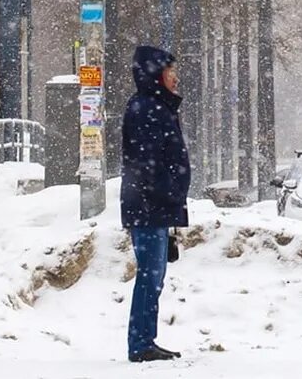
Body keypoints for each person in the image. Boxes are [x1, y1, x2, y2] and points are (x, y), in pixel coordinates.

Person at [120, 45, 189, 363]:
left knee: (155, 275)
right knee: (150, 275)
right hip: (148, 207)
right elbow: (148, 163)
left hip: (153, 206)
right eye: (171, 72)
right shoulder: (147, 108)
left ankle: (145, 339)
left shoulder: (155, 106)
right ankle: (141, 343)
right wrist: (169, 193)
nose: (175, 78)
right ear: (157, 75)